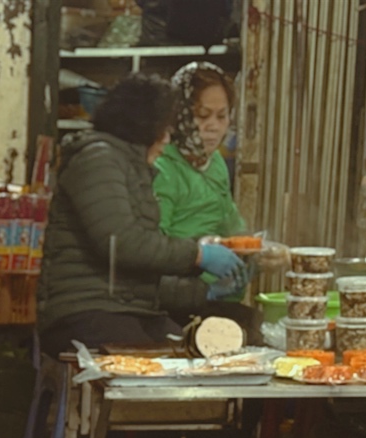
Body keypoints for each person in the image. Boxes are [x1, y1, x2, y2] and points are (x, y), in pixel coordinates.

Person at [38, 71, 246, 359]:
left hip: (126, 309)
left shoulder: (134, 167)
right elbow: (122, 243)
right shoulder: (98, 159)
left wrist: (203, 293)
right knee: (160, 372)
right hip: (84, 311)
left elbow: (139, 283)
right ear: (145, 125)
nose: (168, 138)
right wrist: (198, 254)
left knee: (204, 355)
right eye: (165, 128)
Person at [152, 63, 244, 244]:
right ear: (179, 115)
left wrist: (257, 248)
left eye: (221, 116)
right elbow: (156, 244)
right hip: (178, 269)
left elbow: (230, 222)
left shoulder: (215, 162)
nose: (214, 127)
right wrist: (200, 252)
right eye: (202, 115)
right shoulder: (162, 167)